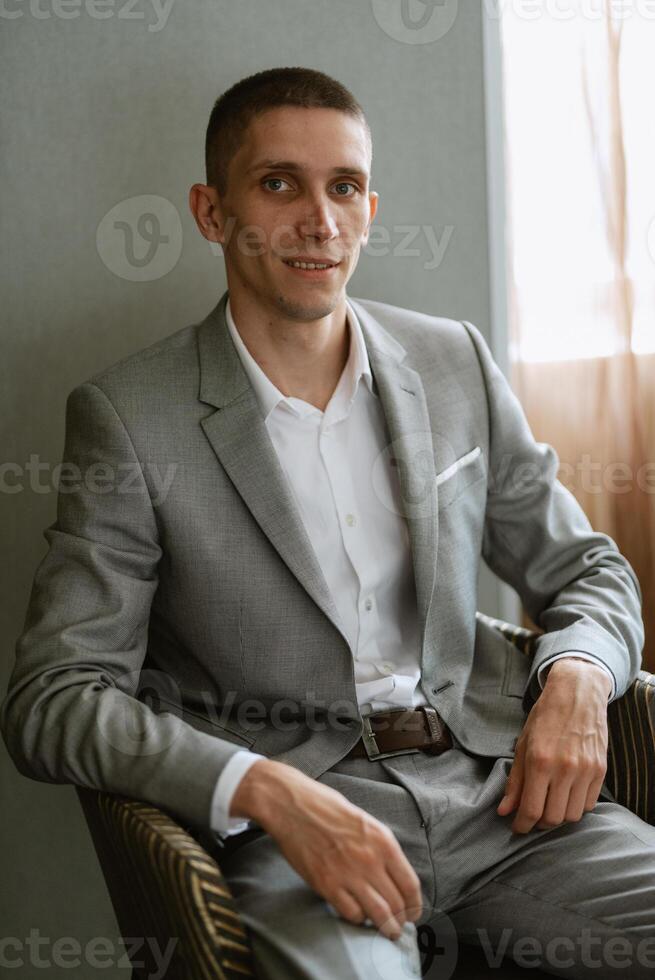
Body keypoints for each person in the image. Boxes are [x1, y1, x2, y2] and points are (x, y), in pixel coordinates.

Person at [2, 67, 654, 979]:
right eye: (279, 183)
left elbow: (588, 569)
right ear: (210, 210)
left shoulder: (452, 359)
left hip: (506, 806)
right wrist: (264, 793)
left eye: (343, 186)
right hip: (297, 828)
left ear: (370, 205)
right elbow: (55, 698)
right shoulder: (127, 417)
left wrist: (580, 674)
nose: (320, 220)